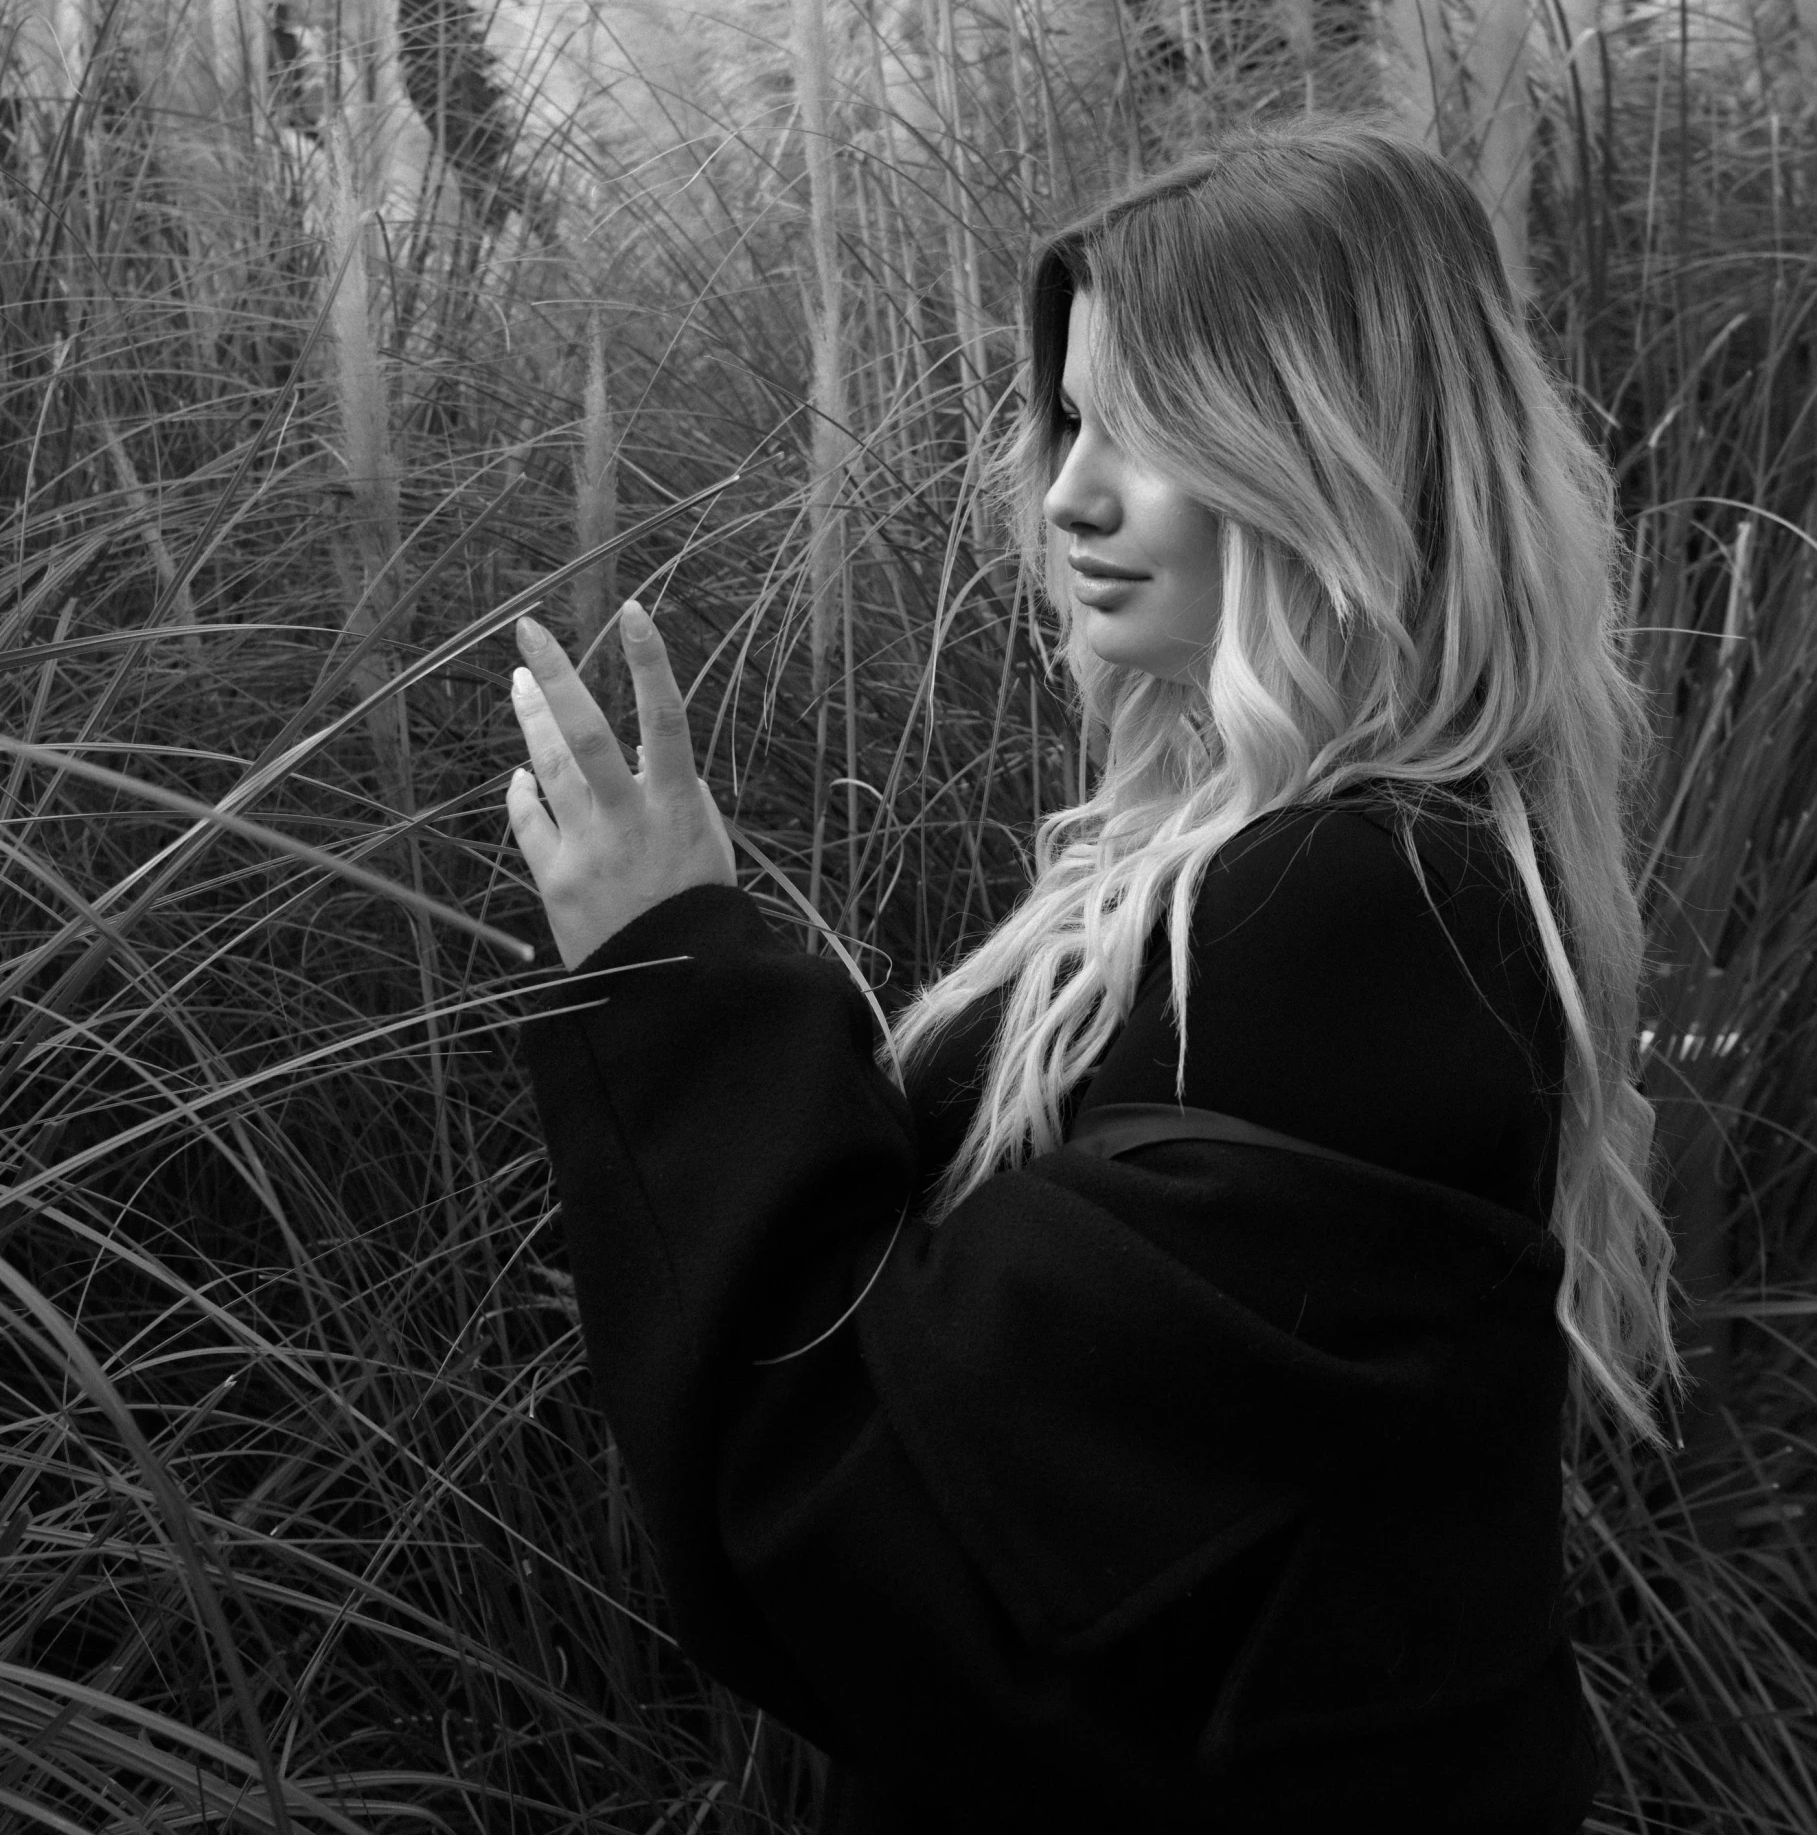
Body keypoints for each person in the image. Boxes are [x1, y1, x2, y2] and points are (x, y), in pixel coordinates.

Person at [503, 116, 1680, 1834]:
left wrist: (673, 967)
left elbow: (880, 1537)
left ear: (1334, 453)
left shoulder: (1339, 917)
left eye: (1150, 426)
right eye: (1070, 418)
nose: (1068, 493)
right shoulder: (1390, 865)